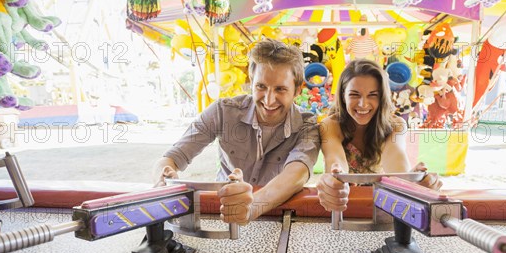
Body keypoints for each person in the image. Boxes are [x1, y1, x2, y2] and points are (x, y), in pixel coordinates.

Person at [153, 39, 320, 224]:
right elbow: (171, 158)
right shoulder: (223, 111)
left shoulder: (308, 126)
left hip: (275, 218)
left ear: (297, 90)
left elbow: (296, 174)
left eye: (280, 89)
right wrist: (163, 180)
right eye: (261, 87)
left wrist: (250, 207)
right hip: (224, 215)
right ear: (251, 83)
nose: (269, 100)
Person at [316, 59, 442, 212]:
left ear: (382, 97)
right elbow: (335, 161)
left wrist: (413, 182)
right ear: (343, 95)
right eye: (354, 95)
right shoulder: (330, 124)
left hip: (383, 207)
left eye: (373, 95)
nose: (363, 104)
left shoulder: (396, 125)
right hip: (342, 204)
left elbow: (396, 162)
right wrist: (336, 177)